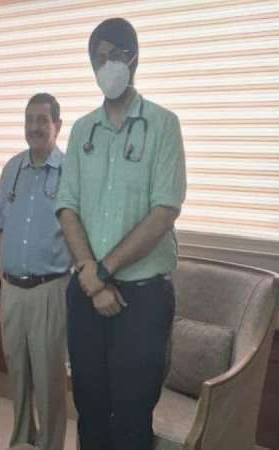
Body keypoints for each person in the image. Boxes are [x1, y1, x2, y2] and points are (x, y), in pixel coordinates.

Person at [56, 18, 187, 450]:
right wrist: (90, 276)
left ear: (134, 59)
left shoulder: (163, 125)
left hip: (142, 299)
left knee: (132, 418)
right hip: (86, 294)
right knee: (90, 411)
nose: (107, 66)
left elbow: (164, 210)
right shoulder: (83, 131)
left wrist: (103, 271)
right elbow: (67, 206)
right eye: (99, 59)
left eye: (115, 56)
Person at [0, 93, 71, 450]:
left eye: (42, 120)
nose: (34, 127)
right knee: (17, 378)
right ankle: (21, 441)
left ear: (57, 125)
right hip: (11, 291)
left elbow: (79, 232)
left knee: (49, 381)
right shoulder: (12, 169)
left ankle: (49, 444)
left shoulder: (70, 172)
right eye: (29, 119)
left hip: (50, 290)